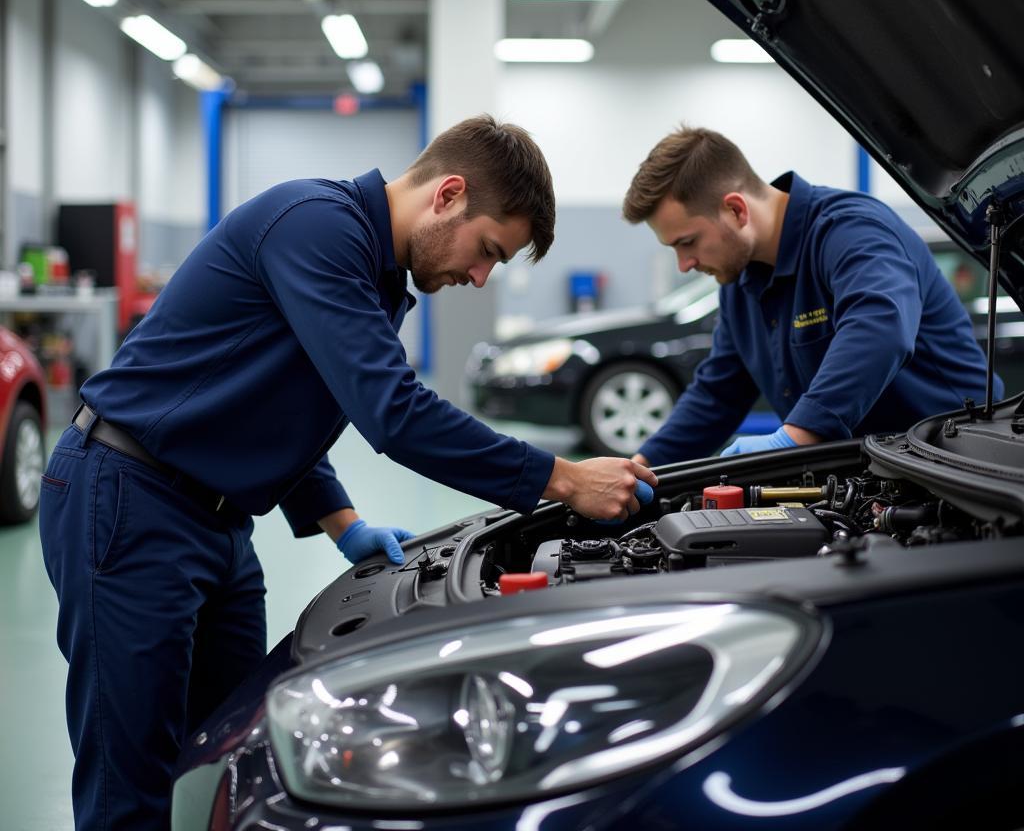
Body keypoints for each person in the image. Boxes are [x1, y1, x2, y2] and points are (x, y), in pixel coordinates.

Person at [39, 115, 656, 831]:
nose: (481, 276)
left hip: (218, 523)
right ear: (447, 194)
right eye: (488, 250)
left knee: (221, 758)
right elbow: (393, 412)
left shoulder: (375, 269)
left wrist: (344, 524)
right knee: (131, 781)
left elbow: (286, 398)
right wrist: (564, 480)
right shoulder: (317, 226)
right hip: (128, 497)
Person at [622, 126, 999, 467]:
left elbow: (880, 327)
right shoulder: (740, 285)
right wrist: (639, 469)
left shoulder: (851, 230)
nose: (684, 264)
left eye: (687, 243)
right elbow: (716, 394)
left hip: (956, 460)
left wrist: (794, 438)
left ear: (736, 209)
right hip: (867, 474)